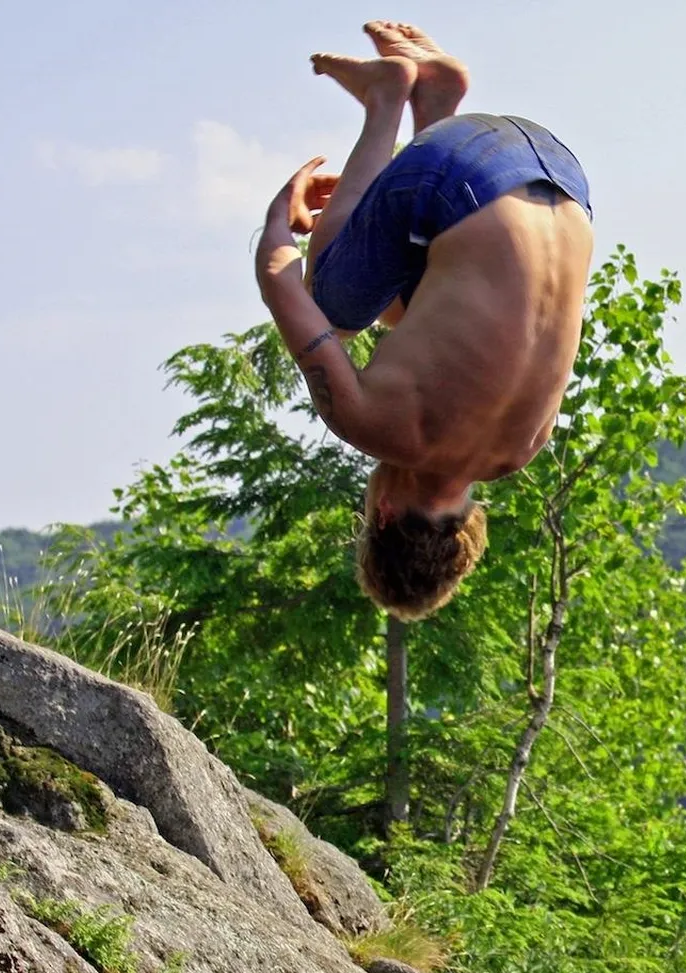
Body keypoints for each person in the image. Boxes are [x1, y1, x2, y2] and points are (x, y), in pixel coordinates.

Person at [253, 21, 594, 620]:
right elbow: (282, 286)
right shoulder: (375, 427)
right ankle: (388, 96)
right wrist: (280, 221)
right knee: (332, 304)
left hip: (561, 176)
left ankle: (436, 98)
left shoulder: (522, 449)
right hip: (457, 177)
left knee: (396, 310)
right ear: (382, 516)